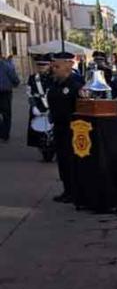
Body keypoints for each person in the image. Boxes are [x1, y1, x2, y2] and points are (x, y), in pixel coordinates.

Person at [47, 52, 84, 203]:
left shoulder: (75, 85)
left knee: (72, 162)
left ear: (68, 66)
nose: (53, 69)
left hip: (73, 130)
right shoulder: (55, 83)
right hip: (59, 128)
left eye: (57, 66)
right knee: (62, 161)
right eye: (53, 66)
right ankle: (67, 190)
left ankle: (75, 191)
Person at [26, 53, 53, 148]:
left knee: (52, 129)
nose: (41, 67)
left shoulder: (53, 77)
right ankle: (40, 146)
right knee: (37, 129)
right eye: (39, 65)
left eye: (44, 65)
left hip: (51, 105)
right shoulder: (33, 78)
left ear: (49, 65)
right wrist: (33, 106)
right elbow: (29, 93)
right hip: (37, 105)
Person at [0, 55, 20, 142]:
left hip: (5, 92)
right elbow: (15, 78)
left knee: (6, 115)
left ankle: (3, 133)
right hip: (5, 92)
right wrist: (15, 84)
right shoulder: (7, 65)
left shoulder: (6, 65)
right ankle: (5, 135)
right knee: (6, 115)